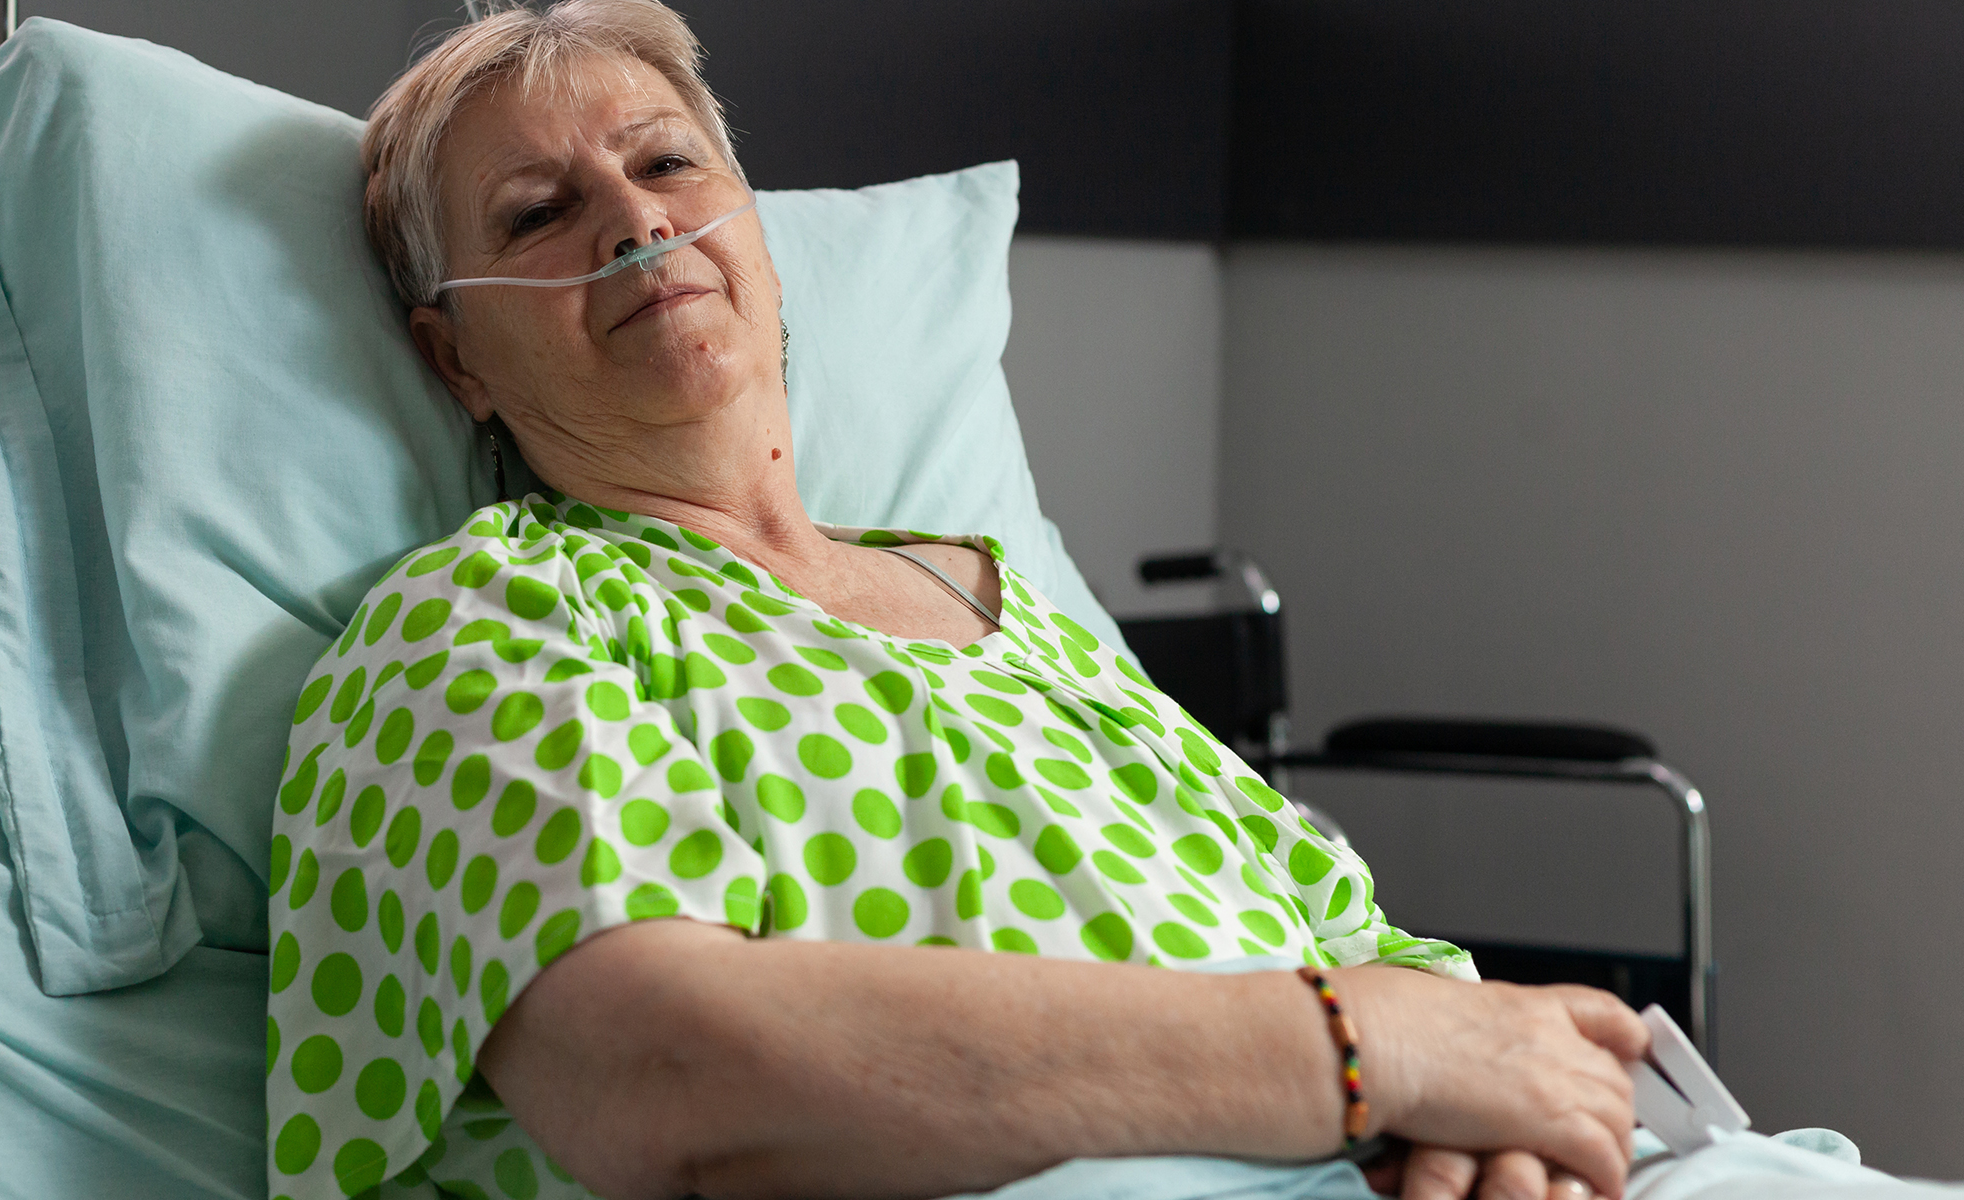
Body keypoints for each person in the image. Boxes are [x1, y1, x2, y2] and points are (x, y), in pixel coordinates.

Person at [264, 4, 1655, 1200]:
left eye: (668, 161)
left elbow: (1377, 950)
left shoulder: (1003, 599)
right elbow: (670, 1071)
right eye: (539, 212)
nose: (635, 219)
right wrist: (1363, 1058)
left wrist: (1487, 1125)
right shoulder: (483, 619)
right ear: (456, 362)